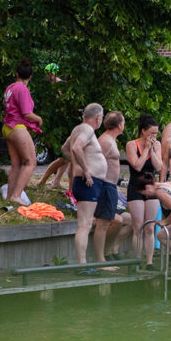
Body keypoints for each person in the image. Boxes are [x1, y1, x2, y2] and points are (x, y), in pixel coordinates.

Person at [66, 103, 107, 265]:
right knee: (85, 224)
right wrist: (85, 170)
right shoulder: (87, 130)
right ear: (98, 117)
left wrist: (77, 165)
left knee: (86, 223)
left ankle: (82, 263)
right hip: (87, 182)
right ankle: (82, 264)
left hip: (86, 182)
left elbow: (65, 149)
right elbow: (76, 148)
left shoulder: (77, 129)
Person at [2, 59, 42, 205]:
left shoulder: (10, 88)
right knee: (31, 162)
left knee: (16, 164)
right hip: (17, 127)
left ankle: (9, 197)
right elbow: (26, 113)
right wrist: (39, 119)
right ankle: (16, 196)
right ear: (30, 77)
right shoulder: (22, 89)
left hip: (7, 126)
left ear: (16, 74)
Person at [126, 114, 163, 270]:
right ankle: (137, 260)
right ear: (143, 131)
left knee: (150, 227)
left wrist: (152, 150)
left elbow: (159, 166)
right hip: (136, 186)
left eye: (156, 133)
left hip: (151, 187)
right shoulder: (131, 145)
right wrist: (146, 149)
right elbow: (137, 166)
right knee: (138, 227)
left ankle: (149, 261)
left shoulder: (157, 145)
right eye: (151, 133)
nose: (154, 136)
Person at [93, 111, 129, 269]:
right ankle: (100, 261)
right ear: (120, 125)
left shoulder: (111, 140)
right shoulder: (105, 141)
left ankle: (107, 253)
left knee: (126, 220)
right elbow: (94, 164)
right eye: (124, 122)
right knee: (103, 224)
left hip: (111, 187)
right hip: (104, 186)